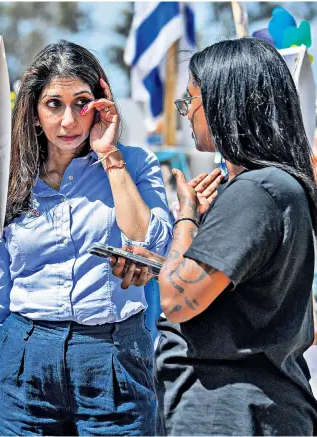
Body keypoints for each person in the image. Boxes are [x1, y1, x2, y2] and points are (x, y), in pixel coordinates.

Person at [111, 37, 317, 435]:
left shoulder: (257, 192)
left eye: (191, 100)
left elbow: (176, 300)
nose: (186, 113)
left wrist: (186, 216)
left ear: (226, 104)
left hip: (230, 411)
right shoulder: (274, 187)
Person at [0, 40, 174, 436]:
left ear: (101, 104)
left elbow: (153, 241)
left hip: (113, 358)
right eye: (54, 104)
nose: (69, 121)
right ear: (32, 112)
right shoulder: (5, 180)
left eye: (82, 103)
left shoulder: (135, 163)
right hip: (24, 362)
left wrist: (109, 155)